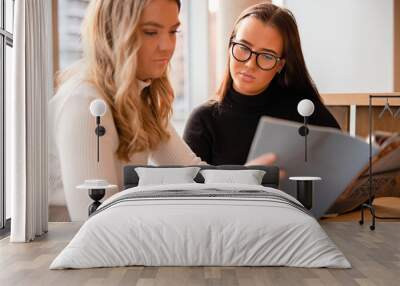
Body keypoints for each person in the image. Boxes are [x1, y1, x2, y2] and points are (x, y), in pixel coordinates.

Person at [49, 0, 274, 221]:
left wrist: (250, 176)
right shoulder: (83, 104)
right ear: (114, 32)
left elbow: (194, 174)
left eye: (173, 31)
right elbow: (95, 221)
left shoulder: (140, 99)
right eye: (150, 32)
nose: (167, 46)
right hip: (59, 251)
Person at [183, 2, 340, 165]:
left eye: (267, 56)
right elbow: (190, 189)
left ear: (280, 65)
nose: (250, 64)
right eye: (243, 47)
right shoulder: (204, 120)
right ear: (230, 46)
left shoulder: (304, 112)